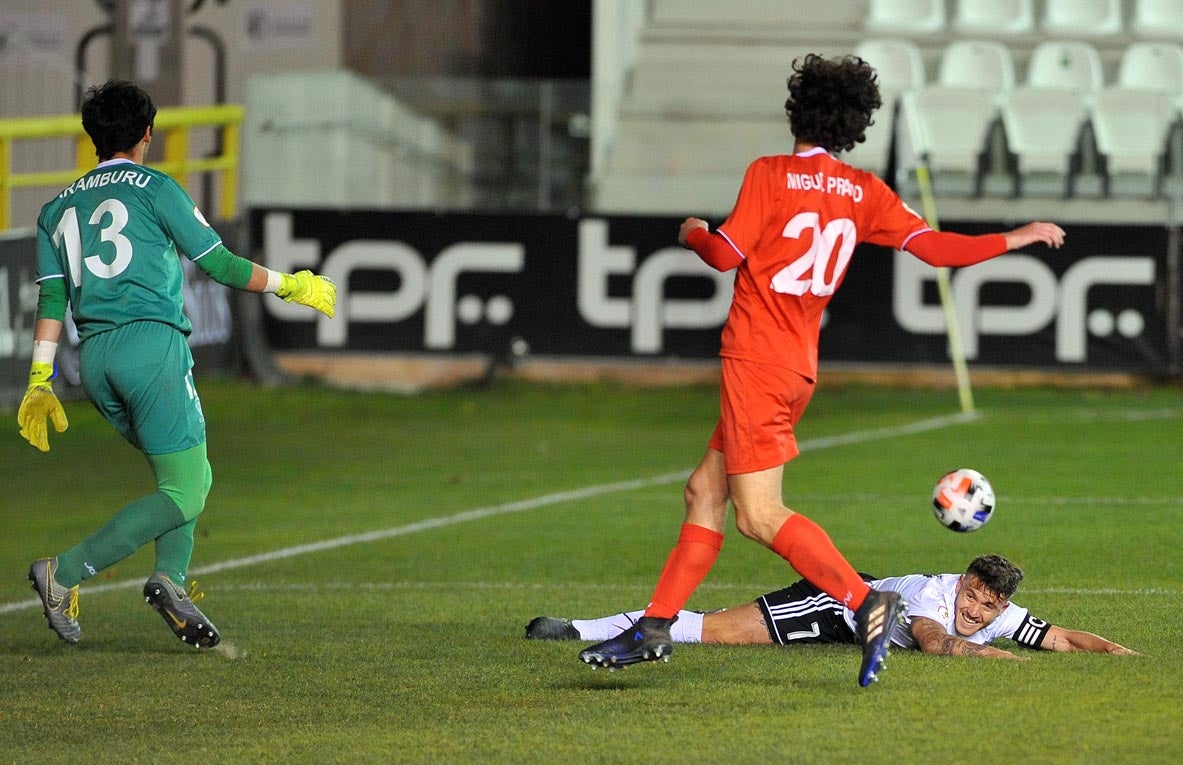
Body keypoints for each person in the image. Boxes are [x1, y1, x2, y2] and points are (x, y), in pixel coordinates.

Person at [576, 53, 1067, 686]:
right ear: (857, 123)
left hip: (754, 360)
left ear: (797, 110)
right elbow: (940, 250)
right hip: (797, 368)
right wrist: (1016, 235)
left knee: (759, 516)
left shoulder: (771, 174)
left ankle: (867, 603)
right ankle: (653, 627)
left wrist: (694, 231)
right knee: (705, 491)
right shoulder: (864, 192)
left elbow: (725, 256)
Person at [17, 79, 337, 649]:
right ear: (146, 135)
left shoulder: (56, 209)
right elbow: (222, 266)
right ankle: (63, 573)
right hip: (152, 347)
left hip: (93, 358)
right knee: (186, 491)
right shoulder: (155, 188)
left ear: (92, 138)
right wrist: (292, 285)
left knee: (188, 476)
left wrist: (40, 377)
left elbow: (50, 301)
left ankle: (172, 581)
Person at [537, 555, 1138, 658]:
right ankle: (581, 628)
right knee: (724, 633)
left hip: (854, 621)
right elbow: (934, 643)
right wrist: (1010, 662)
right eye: (972, 596)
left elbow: (1059, 636)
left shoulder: (1001, 614)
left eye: (988, 606)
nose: (976, 613)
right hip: (837, 601)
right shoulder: (934, 596)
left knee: (726, 634)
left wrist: (1114, 650)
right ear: (962, 583)